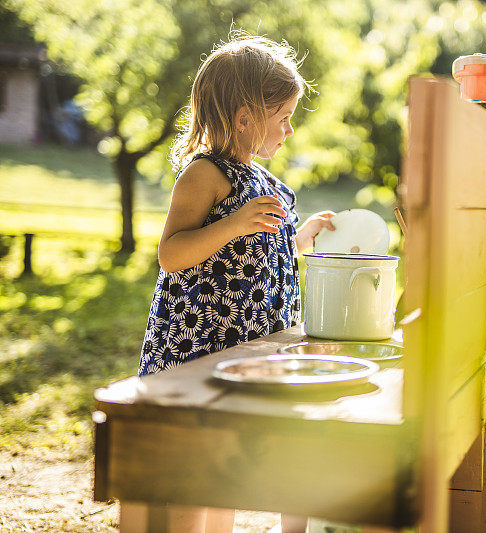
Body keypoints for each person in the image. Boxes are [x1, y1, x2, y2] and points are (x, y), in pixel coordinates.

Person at [125, 34, 335, 533]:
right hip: (199, 345)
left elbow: (263, 253)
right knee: (193, 473)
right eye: (282, 117)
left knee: (224, 471)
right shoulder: (205, 175)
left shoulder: (264, 180)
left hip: (248, 350)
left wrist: (300, 237)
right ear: (244, 118)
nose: (289, 129)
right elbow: (171, 253)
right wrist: (233, 224)